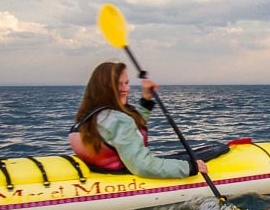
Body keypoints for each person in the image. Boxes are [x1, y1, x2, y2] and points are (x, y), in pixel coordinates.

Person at [69, 61, 208, 178]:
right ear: (105, 88)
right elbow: (142, 166)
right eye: (119, 84)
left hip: (102, 173)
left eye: (126, 83)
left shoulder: (88, 117)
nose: (126, 89)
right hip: (125, 176)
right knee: (211, 152)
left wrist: (146, 101)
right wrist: (190, 168)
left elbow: (127, 132)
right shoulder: (119, 120)